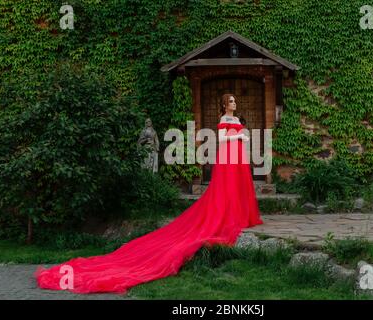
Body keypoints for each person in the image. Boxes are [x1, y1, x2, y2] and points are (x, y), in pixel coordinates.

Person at [34, 93, 263, 294]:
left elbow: (238, 136)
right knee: (226, 189)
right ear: (224, 105)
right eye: (230, 100)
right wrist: (238, 137)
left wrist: (243, 138)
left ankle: (241, 214)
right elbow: (222, 139)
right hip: (228, 156)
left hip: (238, 157)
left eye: (234, 100)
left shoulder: (236, 119)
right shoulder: (224, 119)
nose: (234, 103)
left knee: (239, 187)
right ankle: (227, 215)